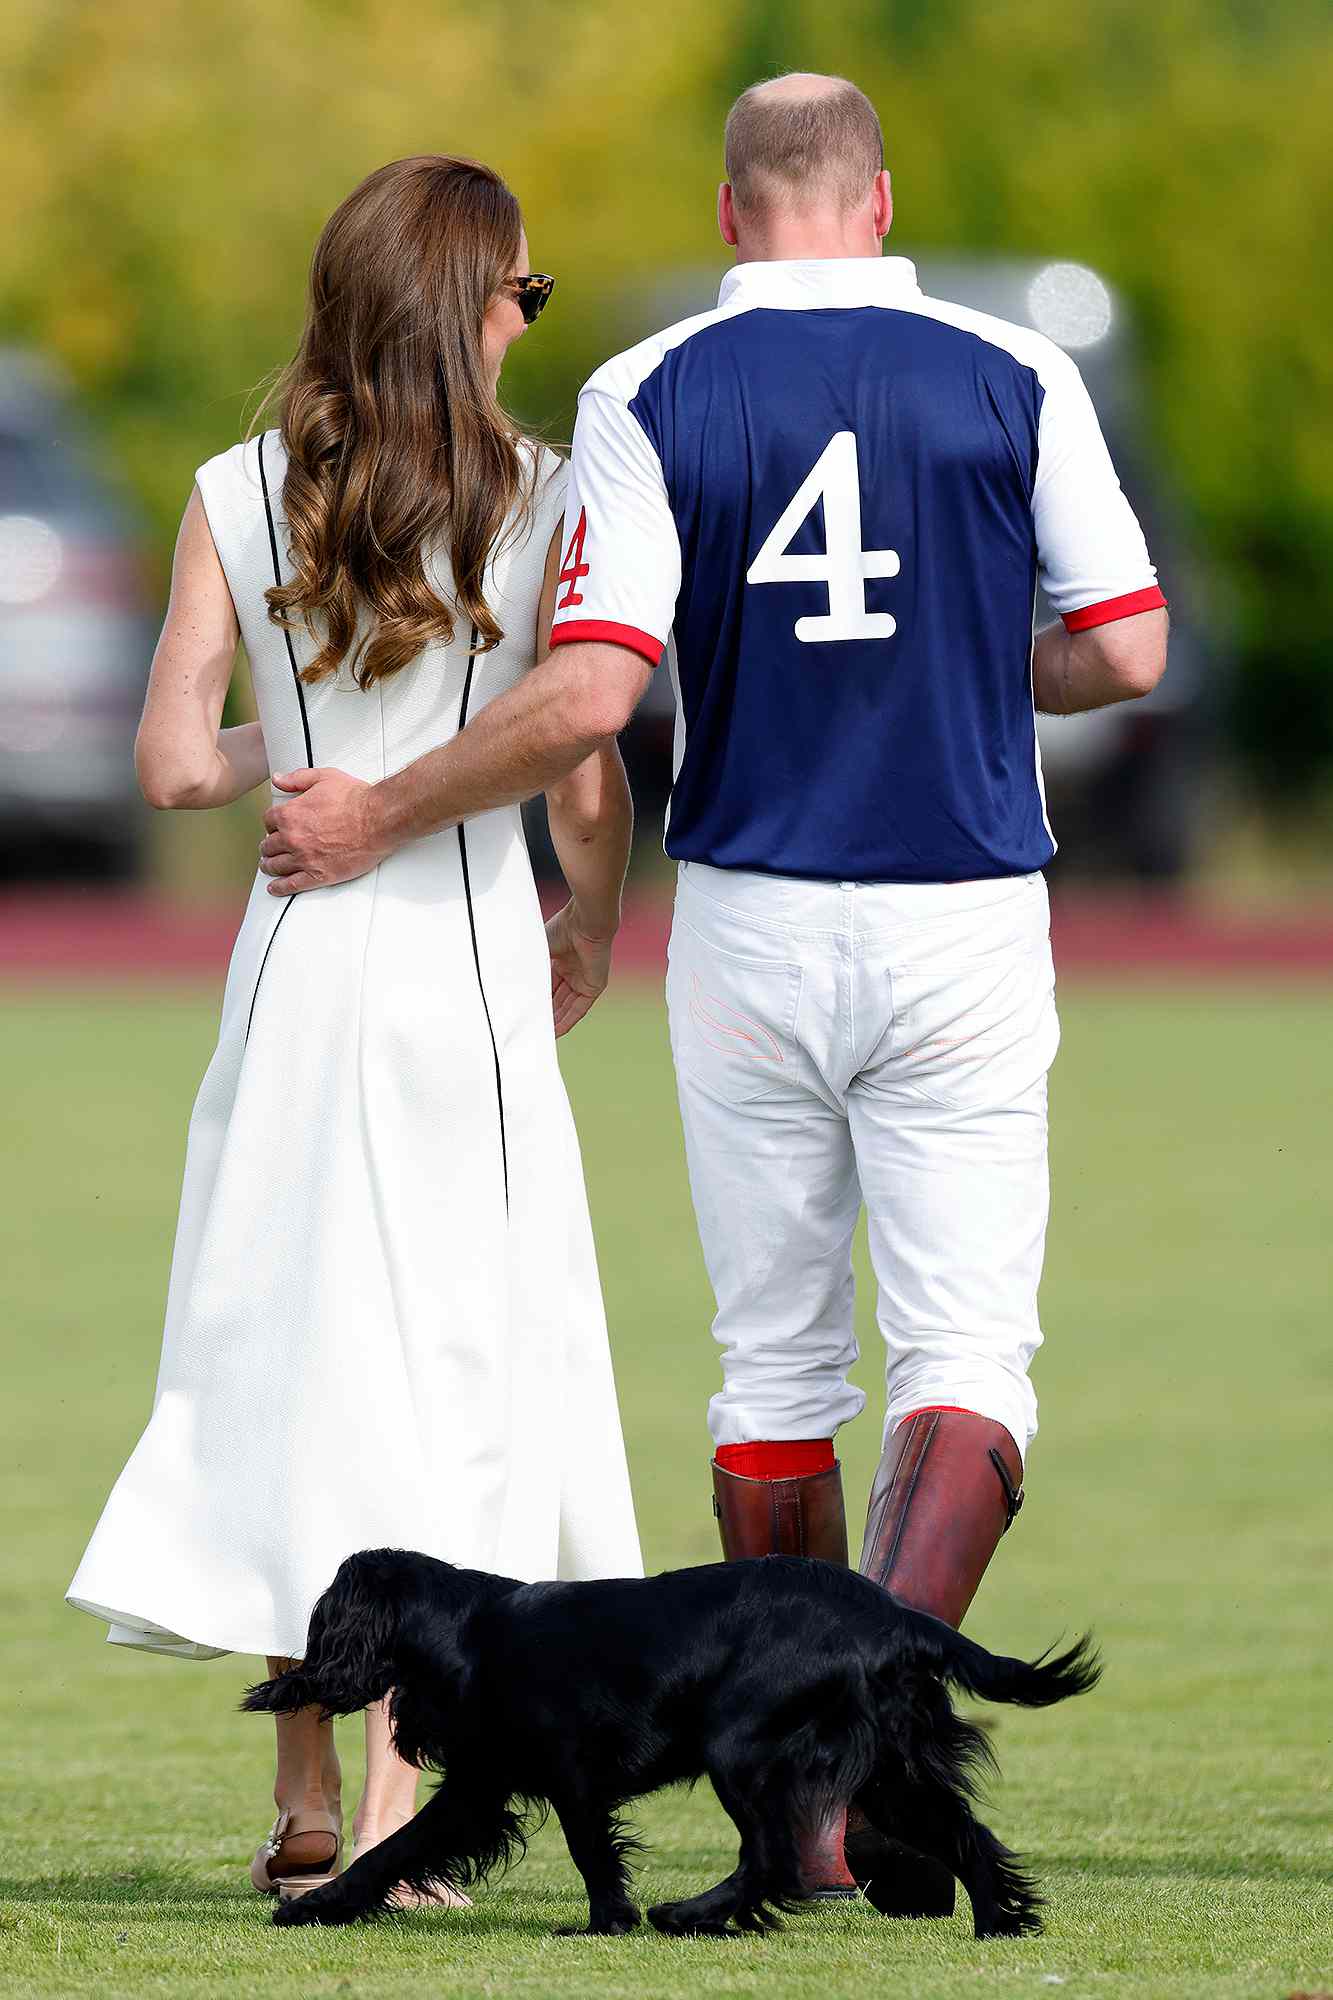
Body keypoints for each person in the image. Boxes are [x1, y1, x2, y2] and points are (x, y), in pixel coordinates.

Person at [253, 78, 1168, 1903]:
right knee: (966, 1356)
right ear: (882, 199)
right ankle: (861, 1775)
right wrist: (973, 676)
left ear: (733, 212)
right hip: (966, 911)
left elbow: (594, 697)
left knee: (772, 1362)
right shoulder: (1016, 367)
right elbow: (1127, 644)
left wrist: (380, 809)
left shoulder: (648, 387)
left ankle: (824, 1809)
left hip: (748, 910)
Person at [66, 154, 642, 1905]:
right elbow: (581, 752)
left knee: (281, 1355)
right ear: (463, 303)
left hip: (292, 973)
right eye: (520, 292)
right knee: (446, 1381)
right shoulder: (542, 495)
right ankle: (401, 1815)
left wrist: (297, 739)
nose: (525, 319)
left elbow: (172, 764)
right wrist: (595, 921)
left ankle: (305, 1792)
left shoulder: (235, 488)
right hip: (456, 971)